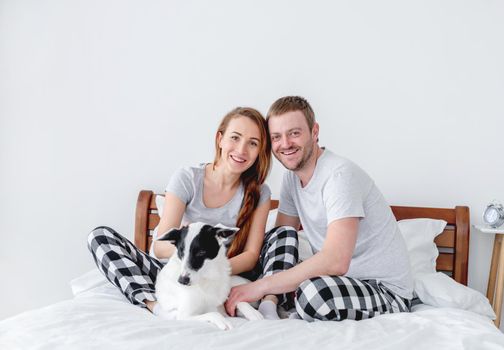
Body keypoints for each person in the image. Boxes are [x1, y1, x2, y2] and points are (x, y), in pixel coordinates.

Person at [87, 107, 298, 319]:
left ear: (260, 150)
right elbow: (160, 247)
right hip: (173, 274)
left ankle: (269, 307)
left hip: (225, 279)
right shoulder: (187, 179)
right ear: (220, 139)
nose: (241, 150)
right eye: (235, 137)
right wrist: (192, 264)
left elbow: (251, 257)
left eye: (253, 143)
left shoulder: (260, 193)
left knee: (286, 233)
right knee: (100, 237)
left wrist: (210, 274)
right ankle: (154, 306)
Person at [225, 96, 414, 321]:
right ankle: (270, 306)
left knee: (313, 293)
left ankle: (278, 297)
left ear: (314, 132)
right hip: (334, 282)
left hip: (382, 290)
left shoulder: (339, 176)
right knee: (281, 235)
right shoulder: (290, 180)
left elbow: (336, 260)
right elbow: (282, 244)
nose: (285, 144)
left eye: (294, 133)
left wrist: (261, 286)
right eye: (276, 137)